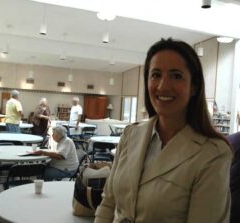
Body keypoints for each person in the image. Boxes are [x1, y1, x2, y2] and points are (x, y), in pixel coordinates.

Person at [95, 38, 232, 223]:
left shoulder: (212, 154)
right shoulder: (131, 135)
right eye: (156, 75)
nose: (163, 86)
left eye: (176, 76)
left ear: (194, 87)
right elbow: (109, 203)